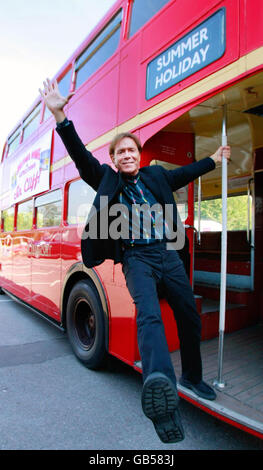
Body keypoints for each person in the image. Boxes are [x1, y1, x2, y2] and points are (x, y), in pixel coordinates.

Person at [39, 78, 231, 443]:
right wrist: (60, 115)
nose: (126, 155)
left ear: (138, 155)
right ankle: (159, 381)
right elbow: (80, 155)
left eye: (131, 150)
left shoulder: (156, 175)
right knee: (149, 315)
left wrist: (213, 159)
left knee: (189, 314)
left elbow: (183, 174)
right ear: (114, 160)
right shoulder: (107, 181)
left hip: (166, 253)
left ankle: (192, 375)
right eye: (120, 152)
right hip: (136, 258)